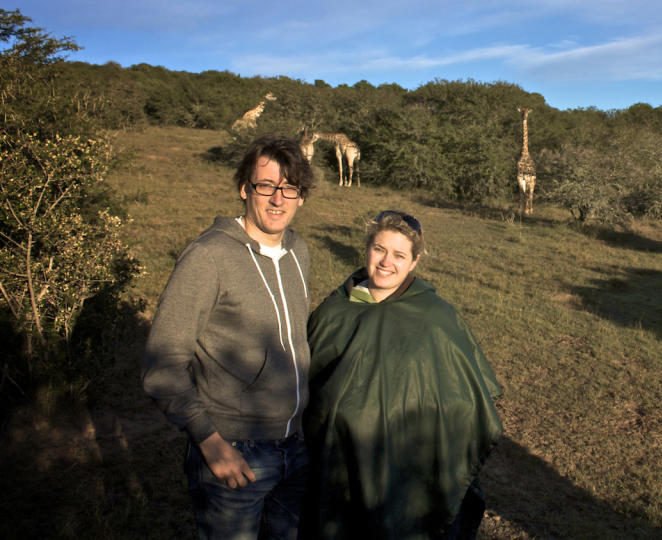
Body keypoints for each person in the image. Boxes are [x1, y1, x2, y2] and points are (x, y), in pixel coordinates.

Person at [142, 134, 315, 540]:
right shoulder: (209, 256)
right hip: (235, 448)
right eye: (266, 186)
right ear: (244, 189)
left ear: (301, 197)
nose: (278, 199)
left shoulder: (298, 251)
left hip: (294, 443)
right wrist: (209, 441)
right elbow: (162, 363)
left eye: (290, 188)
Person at [299, 211, 503, 539]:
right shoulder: (335, 310)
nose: (385, 262)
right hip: (339, 463)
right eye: (379, 249)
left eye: (399, 255)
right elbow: (307, 383)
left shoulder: (436, 317)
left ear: (414, 262)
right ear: (367, 249)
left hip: (409, 467)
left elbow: (465, 399)